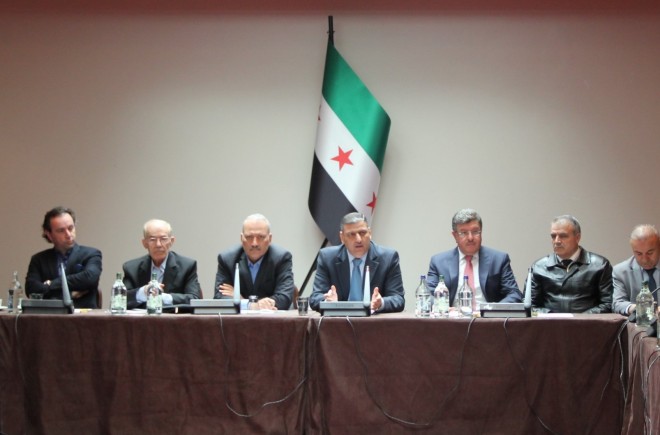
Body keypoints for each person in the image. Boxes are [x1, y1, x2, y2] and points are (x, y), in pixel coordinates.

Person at [309, 212, 405, 314]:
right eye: (351, 234)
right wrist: (328, 301)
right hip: (339, 321)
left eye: (362, 233)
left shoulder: (388, 258)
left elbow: (398, 299)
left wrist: (380, 302)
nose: (358, 239)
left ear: (370, 233)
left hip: (373, 321)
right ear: (342, 237)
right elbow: (315, 298)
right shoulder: (327, 258)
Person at [427, 209, 522, 308]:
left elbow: (514, 294)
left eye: (475, 232)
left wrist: (493, 310)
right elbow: (428, 296)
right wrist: (445, 309)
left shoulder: (499, 260)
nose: (470, 238)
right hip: (453, 316)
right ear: (455, 236)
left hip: (487, 316)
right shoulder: (438, 262)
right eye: (464, 233)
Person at [530, 214, 612, 313]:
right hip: (549, 322)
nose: (557, 241)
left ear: (577, 237)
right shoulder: (539, 267)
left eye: (563, 236)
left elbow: (608, 304)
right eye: (553, 236)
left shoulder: (600, 265)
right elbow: (529, 305)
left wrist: (579, 319)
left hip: (588, 321)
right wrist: (552, 317)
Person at [25, 206, 102, 308]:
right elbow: (31, 289)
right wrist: (70, 293)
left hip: (83, 314)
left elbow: (90, 278)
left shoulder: (91, 254)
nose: (68, 234)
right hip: (49, 314)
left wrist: (51, 284)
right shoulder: (38, 259)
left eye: (71, 228)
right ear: (49, 234)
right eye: (61, 230)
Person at [214, 214, 294, 310]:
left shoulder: (281, 258)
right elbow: (220, 297)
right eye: (249, 237)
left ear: (270, 238)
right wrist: (251, 305)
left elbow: (284, 298)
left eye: (261, 237)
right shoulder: (227, 259)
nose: (254, 243)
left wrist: (244, 301)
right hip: (238, 319)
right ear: (241, 238)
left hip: (271, 318)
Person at [123, 219, 202, 309]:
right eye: (152, 239)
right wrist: (143, 292)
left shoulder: (187, 266)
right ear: (144, 243)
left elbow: (194, 299)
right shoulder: (131, 268)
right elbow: (120, 298)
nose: (158, 244)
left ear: (171, 241)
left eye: (163, 239)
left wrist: (162, 297)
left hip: (173, 317)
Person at [612, 224, 660, 316]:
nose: (645, 259)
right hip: (638, 322)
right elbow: (617, 303)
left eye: (650, 253)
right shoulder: (620, 272)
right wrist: (640, 309)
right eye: (639, 254)